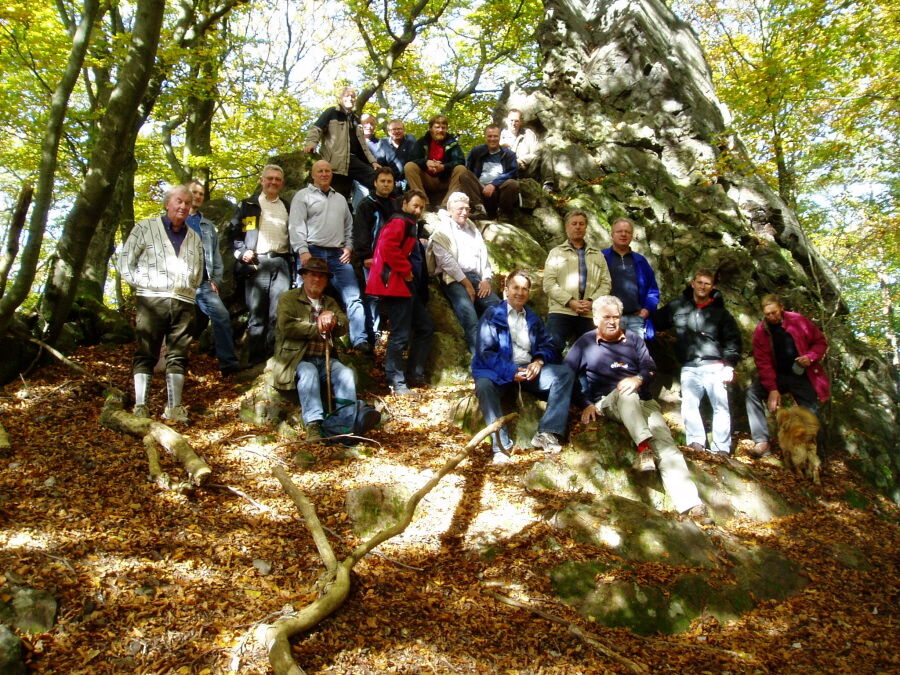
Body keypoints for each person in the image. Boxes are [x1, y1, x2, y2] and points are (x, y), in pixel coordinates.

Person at [564, 296, 713, 525]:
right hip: (609, 401)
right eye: (606, 317)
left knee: (666, 444)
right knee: (626, 392)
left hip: (644, 403)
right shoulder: (585, 343)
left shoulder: (633, 339)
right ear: (595, 319)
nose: (612, 322)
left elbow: (649, 367)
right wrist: (585, 403)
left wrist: (639, 379)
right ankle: (644, 448)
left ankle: (691, 504)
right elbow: (566, 375)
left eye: (616, 317)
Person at [120, 185, 204, 422]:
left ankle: (174, 407)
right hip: (151, 299)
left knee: (179, 354)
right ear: (168, 203)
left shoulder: (194, 237)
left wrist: (189, 289)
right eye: (179, 201)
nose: (183, 206)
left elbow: (199, 271)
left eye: (187, 203)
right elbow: (125, 262)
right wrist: (144, 284)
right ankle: (140, 406)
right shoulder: (145, 228)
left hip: (183, 302)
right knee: (146, 351)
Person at [472, 270, 574, 464]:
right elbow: (485, 352)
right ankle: (501, 446)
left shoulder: (532, 318)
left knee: (564, 374)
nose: (520, 293)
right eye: (516, 288)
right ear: (506, 290)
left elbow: (548, 345)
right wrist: (511, 372)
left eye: (525, 289)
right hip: (497, 371)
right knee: (484, 386)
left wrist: (539, 360)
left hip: (527, 370)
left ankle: (547, 432)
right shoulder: (492, 314)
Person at [655, 269, 742, 455]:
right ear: (692, 283)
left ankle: (722, 448)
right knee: (689, 404)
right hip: (689, 366)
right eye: (699, 282)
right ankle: (696, 443)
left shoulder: (721, 313)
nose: (702, 286)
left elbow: (733, 340)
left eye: (707, 284)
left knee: (720, 407)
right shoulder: (678, 306)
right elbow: (655, 321)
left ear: (712, 287)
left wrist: (729, 365)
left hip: (715, 366)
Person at [271, 257, 358, 441]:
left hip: (324, 359)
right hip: (296, 359)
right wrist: (317, 326)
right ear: (303, 276)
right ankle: (314, 425)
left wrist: (333, 318)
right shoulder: (289, 298)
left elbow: (343, 324)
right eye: (312, 275)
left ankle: (346, 423)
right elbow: (287, 326)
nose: (316, 279)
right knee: (308, 371)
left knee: (346, 374)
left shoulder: (329, 302)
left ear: (326, 281)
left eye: (321, 276)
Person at [289, 160, 371, 353]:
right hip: (312, 252)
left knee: (354, 296)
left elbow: (349, 226)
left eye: (327, 170)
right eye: (320, 171)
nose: (324, 174)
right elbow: (295, 225)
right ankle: (300, 337)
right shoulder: (303, 196)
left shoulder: (340, 199)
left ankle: (359, 340)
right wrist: (303, 250)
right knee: (303, 296)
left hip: (337, 255)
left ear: (332, 174)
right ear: (313, 174)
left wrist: (349, 247)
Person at [365, 189, 434, 394]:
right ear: (404, 204)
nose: (418, 210)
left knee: (425, 327)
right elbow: (387, 248)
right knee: (400, 334)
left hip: (404, 285)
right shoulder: (399, 221)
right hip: (396, 284)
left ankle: (415, 374)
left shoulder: (408, 223)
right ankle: (396, 380)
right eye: (415, 205)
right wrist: (405, 270)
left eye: (421, 207)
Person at [745, 294, 830, 457]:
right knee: (752, 393)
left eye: (774, 312)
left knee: (811, 413)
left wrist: (810, 357)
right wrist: (772, 389)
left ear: (781, 308)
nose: (772, 317)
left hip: (802, 374)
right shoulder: (761, 332)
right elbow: (763, 363)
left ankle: (819, 454)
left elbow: (820, 342)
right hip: (778, 376)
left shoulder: (798, 320)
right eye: (768, 314)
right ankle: (761, 441)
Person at [230, 164, 292, 365]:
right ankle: (255, 362)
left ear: (282, 183)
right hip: (257, 263)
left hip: (282, 263)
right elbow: (234, 233)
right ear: (261, 180)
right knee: (257, 314)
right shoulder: (248, 204)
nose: (273, 182)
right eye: (270, 178)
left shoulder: (287, 206)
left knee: (278, 314)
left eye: (277, 179)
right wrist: (241, 252)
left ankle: (273, 358)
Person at [427, 191, 501, 353]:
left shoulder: (472, 229)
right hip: (454, 280)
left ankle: (498, 350)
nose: (464, 212)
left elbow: (483, 257)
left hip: (476, 277)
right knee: (470, 317)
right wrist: (467, 285)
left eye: (467, 209)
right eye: (460, 209)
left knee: (498, 309)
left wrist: (486, 279)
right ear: (450, 210)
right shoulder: (442, 231)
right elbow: (447, 262)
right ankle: (480, 358)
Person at [185, 180, 244, 376]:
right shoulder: (175, 221)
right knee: (177, 321)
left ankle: (228, 364)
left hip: (203, 283)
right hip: (179, 282)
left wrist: (215, 280)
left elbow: (216, 257)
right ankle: (173, 363)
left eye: (201, 194)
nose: (197, 196)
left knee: (222, 315)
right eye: (194, 192)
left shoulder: (208, 226)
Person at [543, 210, 611, 353]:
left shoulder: (597, 255)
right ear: (566, 227)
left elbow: (606, 283)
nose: (578, 227)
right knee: (551, 349)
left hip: (589, 312)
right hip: (561, 310)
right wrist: (570, 301)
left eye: (581, 224)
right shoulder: (556, 253)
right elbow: (548, 284)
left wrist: (592, 301)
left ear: (586, 227)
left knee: (591, 353)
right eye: (574, 224)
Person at [303, 86, 379, 199]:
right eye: (347, 96)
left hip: (352, 161)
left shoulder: (355, 119)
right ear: (340, 98)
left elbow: (363, 145)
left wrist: (372, 161)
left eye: (353, 96)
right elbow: (316, 129)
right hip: (335, 162)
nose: (350, 99)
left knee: (378, 179)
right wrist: (311, 143)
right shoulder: (332, 112)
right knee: (336, 197)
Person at [404, 114, 485, 216]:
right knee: (409, 166)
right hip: (427, 178)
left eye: (443, 127)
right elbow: (412, 159)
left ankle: (446, 205)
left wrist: (444, 167)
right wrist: (426, 162)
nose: (440, 130)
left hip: (445, 179)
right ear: (431, 128)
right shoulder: (422, 142)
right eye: (437, 127)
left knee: (461, 169)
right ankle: (424, 203)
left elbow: (460, 160)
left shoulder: (452, 143)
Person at [352, 166, 398, 347]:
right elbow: (360, 232)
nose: (386, 184)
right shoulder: (367, 204)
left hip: (393, 258)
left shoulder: (396, 203)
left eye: (389, 181)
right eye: (383, 181)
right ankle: (374, 336)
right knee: (373, 297)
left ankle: (391, 336)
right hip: (373, 259)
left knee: (393, 296)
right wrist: (365, 256)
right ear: (375, 183)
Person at [602, 217, 660, 339]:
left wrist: (647, 310)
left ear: (632, 236)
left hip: (635, 319)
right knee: (610, 350)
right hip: (609, 319)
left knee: (635, 351)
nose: (623, 234)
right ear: (612, 235)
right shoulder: (602, 257)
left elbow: (652, 290)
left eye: (627, 232)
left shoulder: (640, 260)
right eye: (619, 231)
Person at [466, 124, 520, 220]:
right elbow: (469, 168)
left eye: (495, 136)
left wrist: (494, 184)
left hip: (499, 191)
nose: (492, 139)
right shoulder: (476, 152)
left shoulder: (508, 154)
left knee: (512, 183)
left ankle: (503, 213)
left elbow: (512, 172)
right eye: (489, 136)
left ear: (500, 137)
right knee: (464, 175)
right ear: (485, 137)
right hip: (480, 189)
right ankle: (479, 209)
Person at [376, 119, 416, 191]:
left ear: (404, 130)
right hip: (391, 180)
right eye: (394, 129)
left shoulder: (410, 140)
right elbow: (380, 163)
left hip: (409, 178)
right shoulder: (383, 143)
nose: (397, 131)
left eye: (399, 129)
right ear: (389, 132)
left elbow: (415, 159)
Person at [499, 109, 540, 178]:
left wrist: (520, 160)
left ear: (521, 121)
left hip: (528, 168)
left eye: (516, 121)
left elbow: (536, 154)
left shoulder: (528, 134)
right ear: (507, 121)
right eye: (511, 120)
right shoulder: (501, 136)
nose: (513, 123)